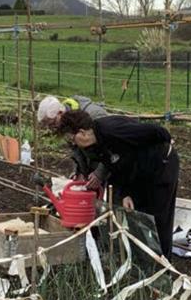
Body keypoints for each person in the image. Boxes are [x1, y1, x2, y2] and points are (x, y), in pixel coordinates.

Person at [57, 110, 179, 258]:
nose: (73, 143)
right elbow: (119, 166)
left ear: (82, 132)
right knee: (140, 215)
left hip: (161, 166)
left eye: (72, 139)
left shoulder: (112, 130)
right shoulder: (97, 145)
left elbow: (157, 131)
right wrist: (126, 193)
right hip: (140, 174)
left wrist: (166, 143)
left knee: (159, 217)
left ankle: (163, 263)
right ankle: (146, 260)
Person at [37, 95, 109, 189]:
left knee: (111, 195)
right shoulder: (65, 123)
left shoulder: (95, 115)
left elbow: (112, 147)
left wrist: (99, 173)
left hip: (113, 166)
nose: (52, 128)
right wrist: (80, 172)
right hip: (93, 166)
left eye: (53, 123)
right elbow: (76, 149)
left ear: (60, 113)